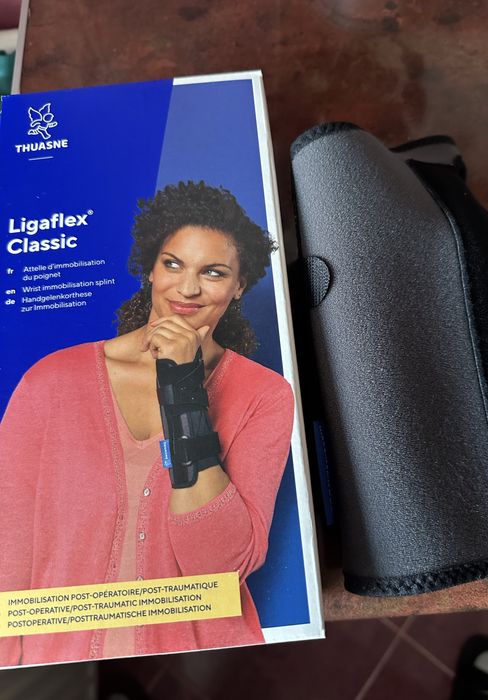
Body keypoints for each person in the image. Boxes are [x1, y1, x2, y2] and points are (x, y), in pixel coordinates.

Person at [0, 181, 295, 666]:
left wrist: (183, 389)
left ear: (239, 285)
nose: (188, 288)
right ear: (151, 269)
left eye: (213, 272)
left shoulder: (264, 395)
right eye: (173, 264)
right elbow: (7, 560)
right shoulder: (50, 382)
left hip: (200, 671)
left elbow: (220, 569)